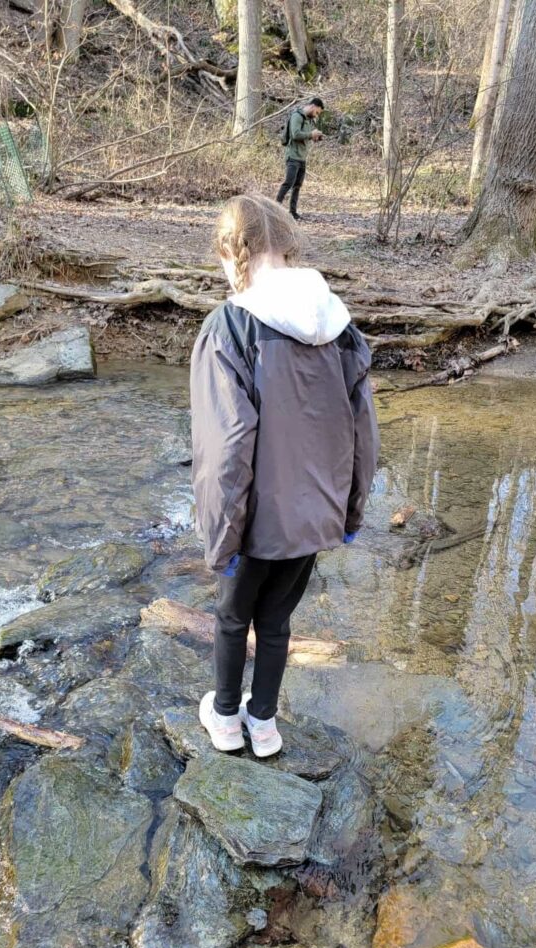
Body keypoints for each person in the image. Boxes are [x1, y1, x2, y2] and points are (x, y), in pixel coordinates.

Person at [190, 194, 379, 758]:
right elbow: (363, 435)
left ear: (234, 251)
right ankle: (265, 723)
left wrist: (220, 538)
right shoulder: (340, 327)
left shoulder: (230, 327)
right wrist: (349, 513)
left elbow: (226, 446)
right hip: (314, 514)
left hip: (254, 520)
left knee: (231, 615)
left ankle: (225, 717)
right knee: (276, 620)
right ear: (287, 247)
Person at [276, 97, 325, 220]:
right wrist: (310, 134)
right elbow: (295, 134)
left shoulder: (309, 120)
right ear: (312, 106)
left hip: (302, 157)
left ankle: (293, 212)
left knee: (297, 186)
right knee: (288, 183)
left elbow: (306, 136)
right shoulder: (297, 116)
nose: (316, 115)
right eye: (317, 112)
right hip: (293, 156)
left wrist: (315, 137)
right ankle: (275, 209)